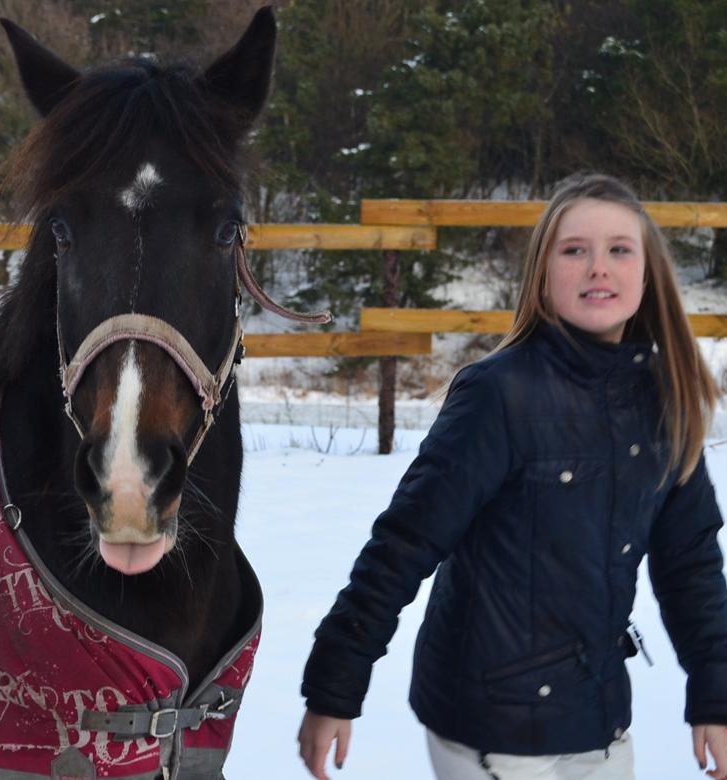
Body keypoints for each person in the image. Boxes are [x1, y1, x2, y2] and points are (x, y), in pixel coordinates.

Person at [297, 173, 727, 779]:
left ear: (649, 272)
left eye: (619, 250)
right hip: (488, 718)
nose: (598, 267)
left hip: (598, 714)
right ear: (542, 275)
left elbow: (691, 562)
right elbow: (403, 544)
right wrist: (334, 686)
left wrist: (715, 692)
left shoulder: (666, 400)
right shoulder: (498, 394)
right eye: (575, 250)